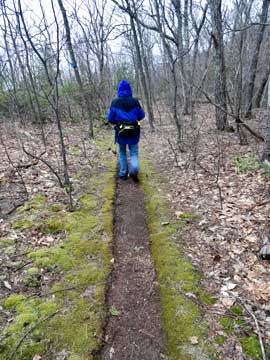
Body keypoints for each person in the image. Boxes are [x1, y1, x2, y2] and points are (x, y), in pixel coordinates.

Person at [108, 80, 145, 182]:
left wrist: (117, 121)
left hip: (121, 132)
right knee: (133, 152)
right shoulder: (135, 101)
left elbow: (110, 118)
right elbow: (141, 115)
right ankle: (134, 170)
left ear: (119, 90)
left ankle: (123, 174)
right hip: (134, 131)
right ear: (130, 89)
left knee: (122, 152)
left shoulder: (115, 102)